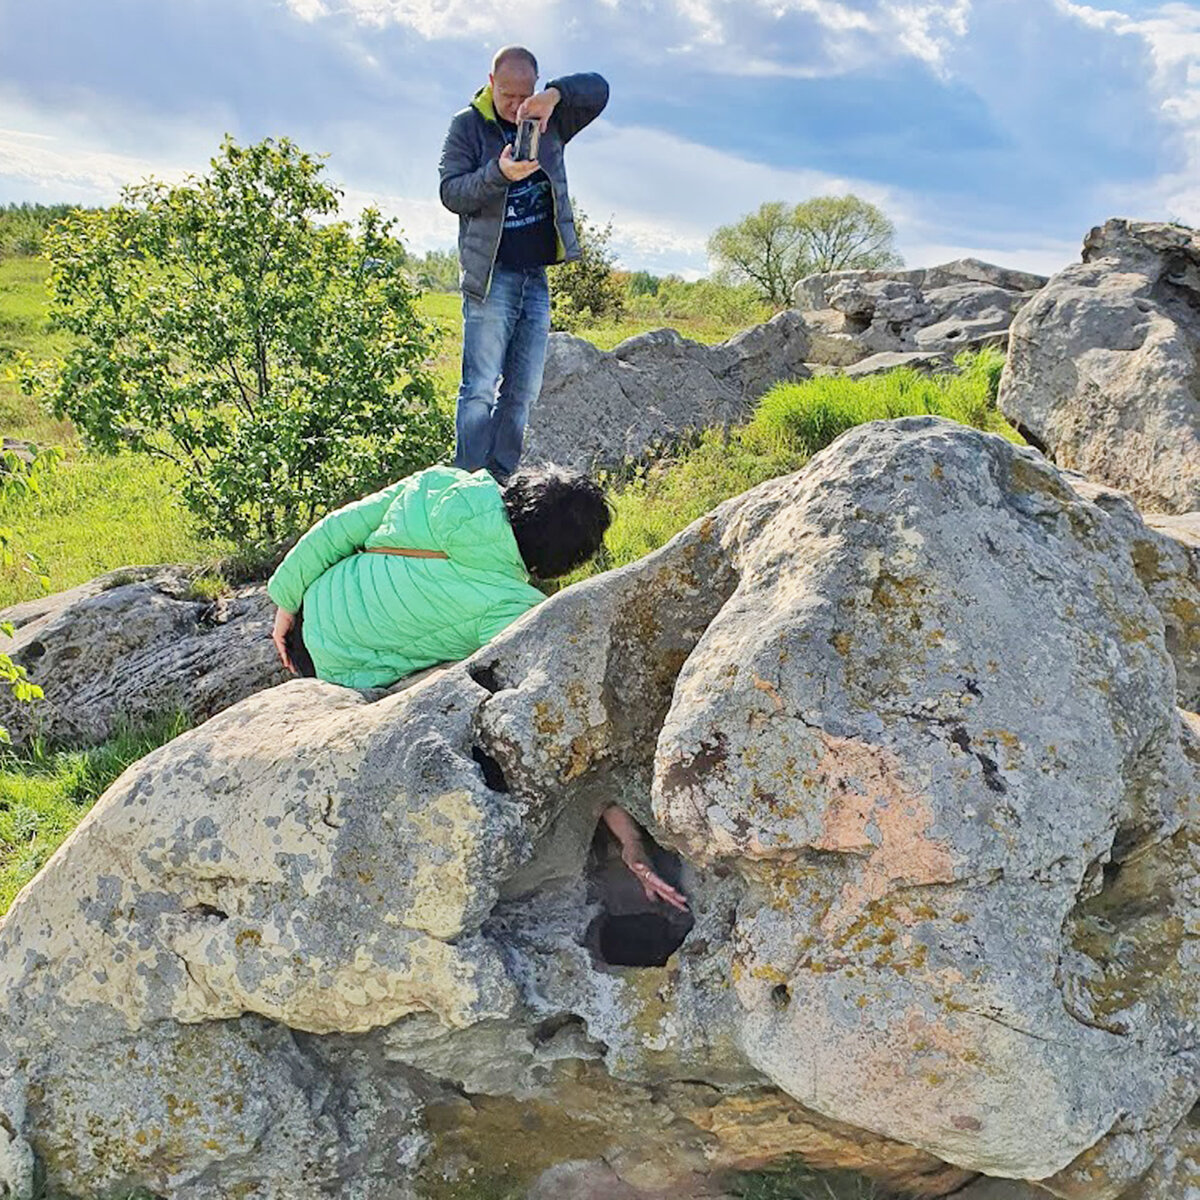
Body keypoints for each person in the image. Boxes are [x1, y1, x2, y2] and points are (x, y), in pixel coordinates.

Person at [267, 461, 686, 912]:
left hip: (307, 613)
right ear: (552, 564)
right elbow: (568, 721)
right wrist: (630, 842)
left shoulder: (442, 485)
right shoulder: (514, 608)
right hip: (340, 668)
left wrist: (285, 603)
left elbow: (338, 528)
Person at [439, 46, 609, 481]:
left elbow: (599, 89)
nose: (516, 107)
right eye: (507, 96)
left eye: (524, 95)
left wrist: (552, 98)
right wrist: (499, 174)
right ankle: (466, 481)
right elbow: (451, 193)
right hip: (491, 274)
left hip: (535, 275)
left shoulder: (548, 120)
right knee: (479, 389)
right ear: (491, 83)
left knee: (524, 391)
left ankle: (499, 479)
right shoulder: (467, 126)